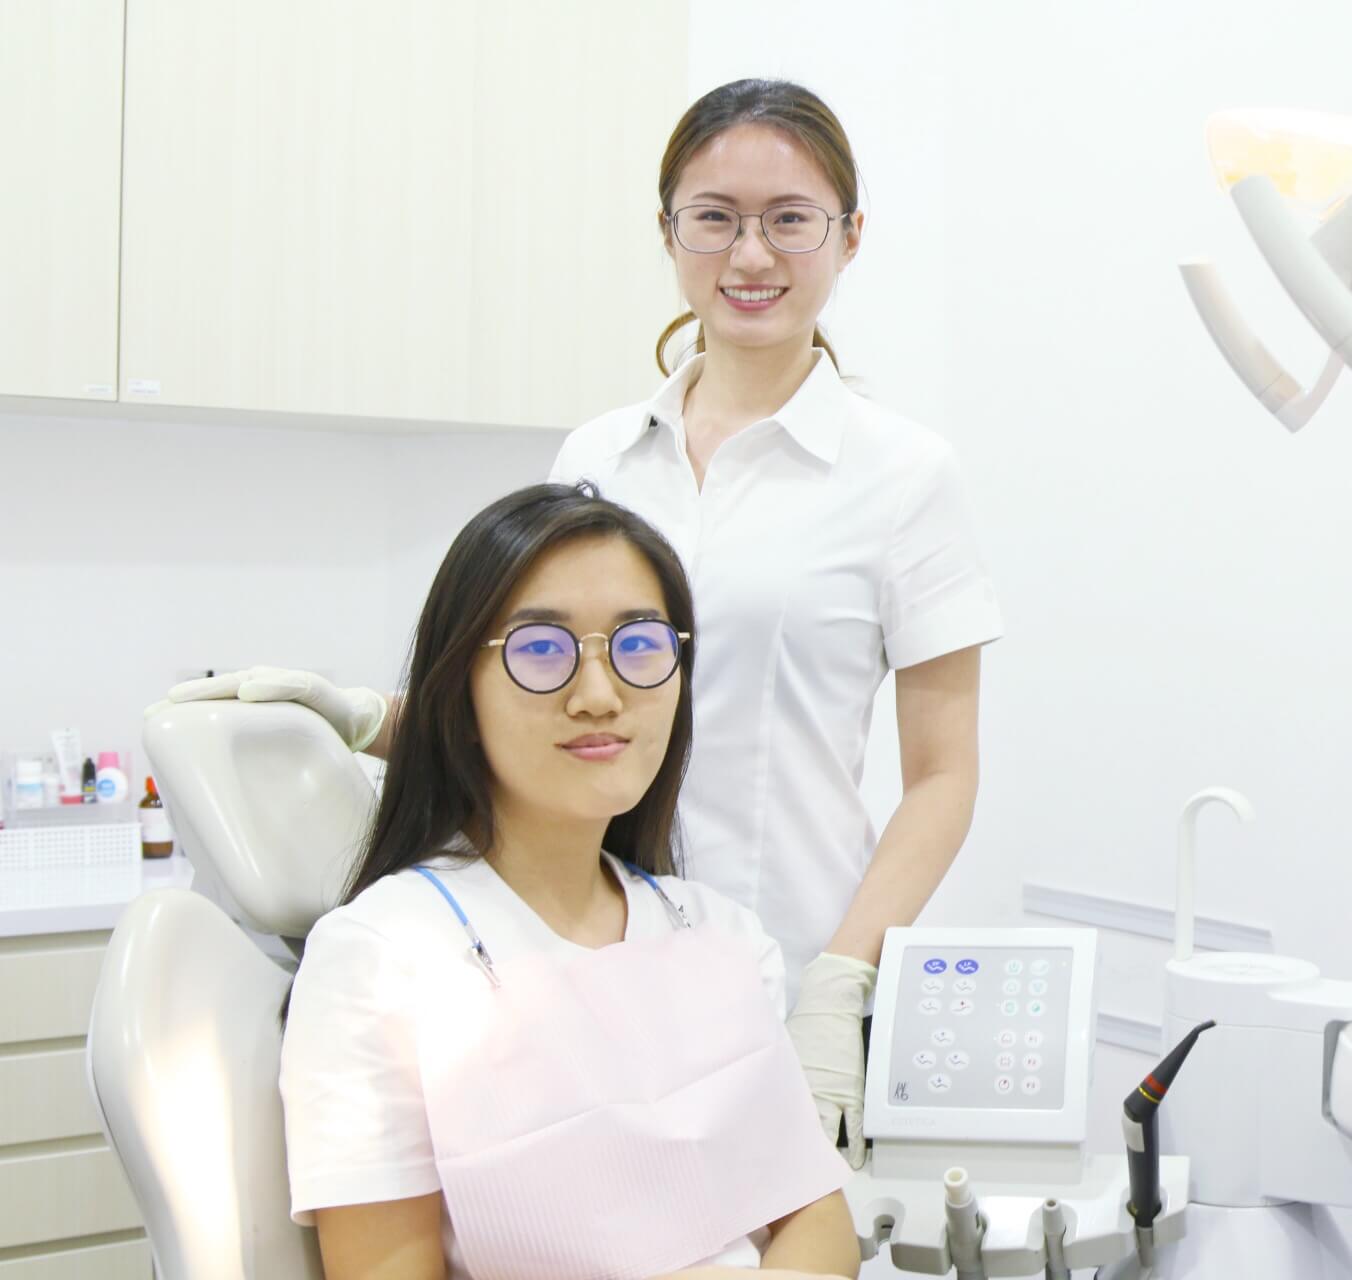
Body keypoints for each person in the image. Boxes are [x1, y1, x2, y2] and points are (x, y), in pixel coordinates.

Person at [161, 77, 1003, 1167]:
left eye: (791, 218)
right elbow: (549, 700)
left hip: (791, 972)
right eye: (715, 217)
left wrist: (843, 982)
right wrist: (367, 714)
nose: (752, 255)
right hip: (584, 967)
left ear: (849, 237)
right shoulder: (599, 459)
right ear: (668, 232)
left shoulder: (903, 476)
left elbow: (944, 775)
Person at [280, 483, 859, 1279]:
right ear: (458, 690)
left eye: (641, 645)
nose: (598, 695)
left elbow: (815, 1220)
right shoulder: (380, 956)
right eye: (541, 650)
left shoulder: (718, 935)